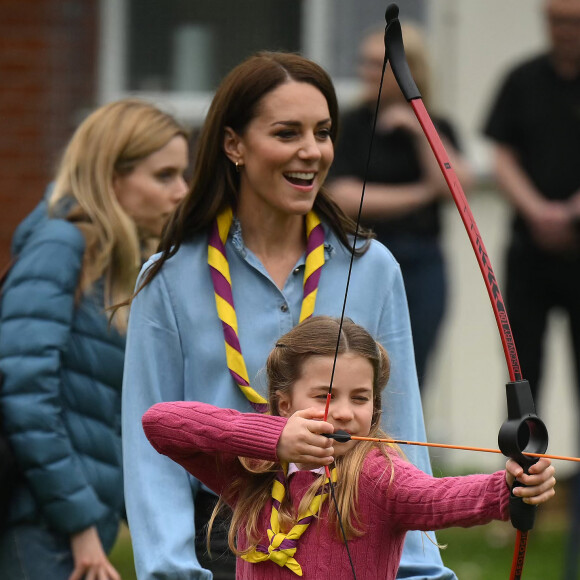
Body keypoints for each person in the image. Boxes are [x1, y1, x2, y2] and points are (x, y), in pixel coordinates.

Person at [121, 51, 459, 579]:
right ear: (234, 144)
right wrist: (170, 570)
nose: (311, 151)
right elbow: (150, 451)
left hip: (351, 533)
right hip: (219, 538)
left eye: (322, 132)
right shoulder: (167, 277)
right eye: (286, 133)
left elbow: (400, 433)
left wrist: (418, 571)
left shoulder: (373, 267)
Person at [141, 315, 556, 580]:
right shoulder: (255, 471)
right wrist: (274, 439)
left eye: (359, 398)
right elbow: (160, 424)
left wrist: (511, 487)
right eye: (325, 395)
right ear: (285, 404)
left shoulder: (378, 474)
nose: (343, 412)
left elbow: (438, 498)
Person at [0, 98, 189, 580]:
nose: (181, 192)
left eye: (182, 175)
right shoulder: (60, 246)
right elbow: (24, 395)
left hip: (69, 526)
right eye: (164, 176)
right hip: (41, 528)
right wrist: (80, 523)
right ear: (112, 178)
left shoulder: (112, 265)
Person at [482, 1, 580, 577]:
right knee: (523, 383)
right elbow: (501, 153)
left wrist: (571, 210)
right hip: (529, 253)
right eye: (555, 22)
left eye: (572, 22)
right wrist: (538, 209)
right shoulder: (521, 79)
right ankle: (512, 503)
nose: (563, 32)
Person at [328, 24, 474, 388]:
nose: (367, 72)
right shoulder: (351, 124)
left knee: (413, 371)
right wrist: (423, 194)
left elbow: (456, 185)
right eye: (364, 62)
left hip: (422, 263)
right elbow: (343, 196)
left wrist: (418, 130)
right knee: (354, 363)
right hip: (359, 257)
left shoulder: (434, 125)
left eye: (379, 64)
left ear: (410, 69)